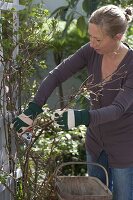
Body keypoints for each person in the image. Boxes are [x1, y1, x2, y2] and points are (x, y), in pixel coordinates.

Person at [12, 4, 133, 200]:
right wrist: (34, 107)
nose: (92, 44)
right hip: (96, 144)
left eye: (98, 39)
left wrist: (82, 117)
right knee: (93, 196)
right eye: (89, 37)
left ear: (118, 37)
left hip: (125, 148)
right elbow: (56, 75)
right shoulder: (91, 51)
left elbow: (118, 109)